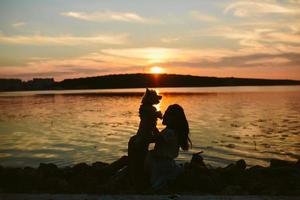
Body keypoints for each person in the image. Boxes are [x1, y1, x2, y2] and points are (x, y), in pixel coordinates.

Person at [145, 104, 192, 190]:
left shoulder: (170, 132)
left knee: (155, 184)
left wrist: (144, 132)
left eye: (167, 114)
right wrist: (152, 125)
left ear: (173, 119)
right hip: (164, 162)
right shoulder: (170, 131)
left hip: (162, 164)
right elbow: (159, 136)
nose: (164, 115)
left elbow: (153, 139)